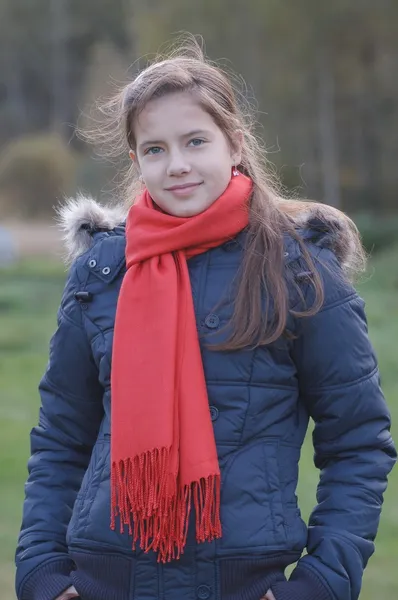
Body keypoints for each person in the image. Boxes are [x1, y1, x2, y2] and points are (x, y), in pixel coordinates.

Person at [15, 37, 396, 600]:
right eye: (155, 149)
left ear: (234, 144)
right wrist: (41, 571)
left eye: (196, 141)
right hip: (105, 580)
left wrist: (318, 585)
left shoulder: (299, 271)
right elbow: (61, 437)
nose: (178, 165)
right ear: (136, 160)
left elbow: (358, 442)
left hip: (243, 583)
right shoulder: (101, 274)